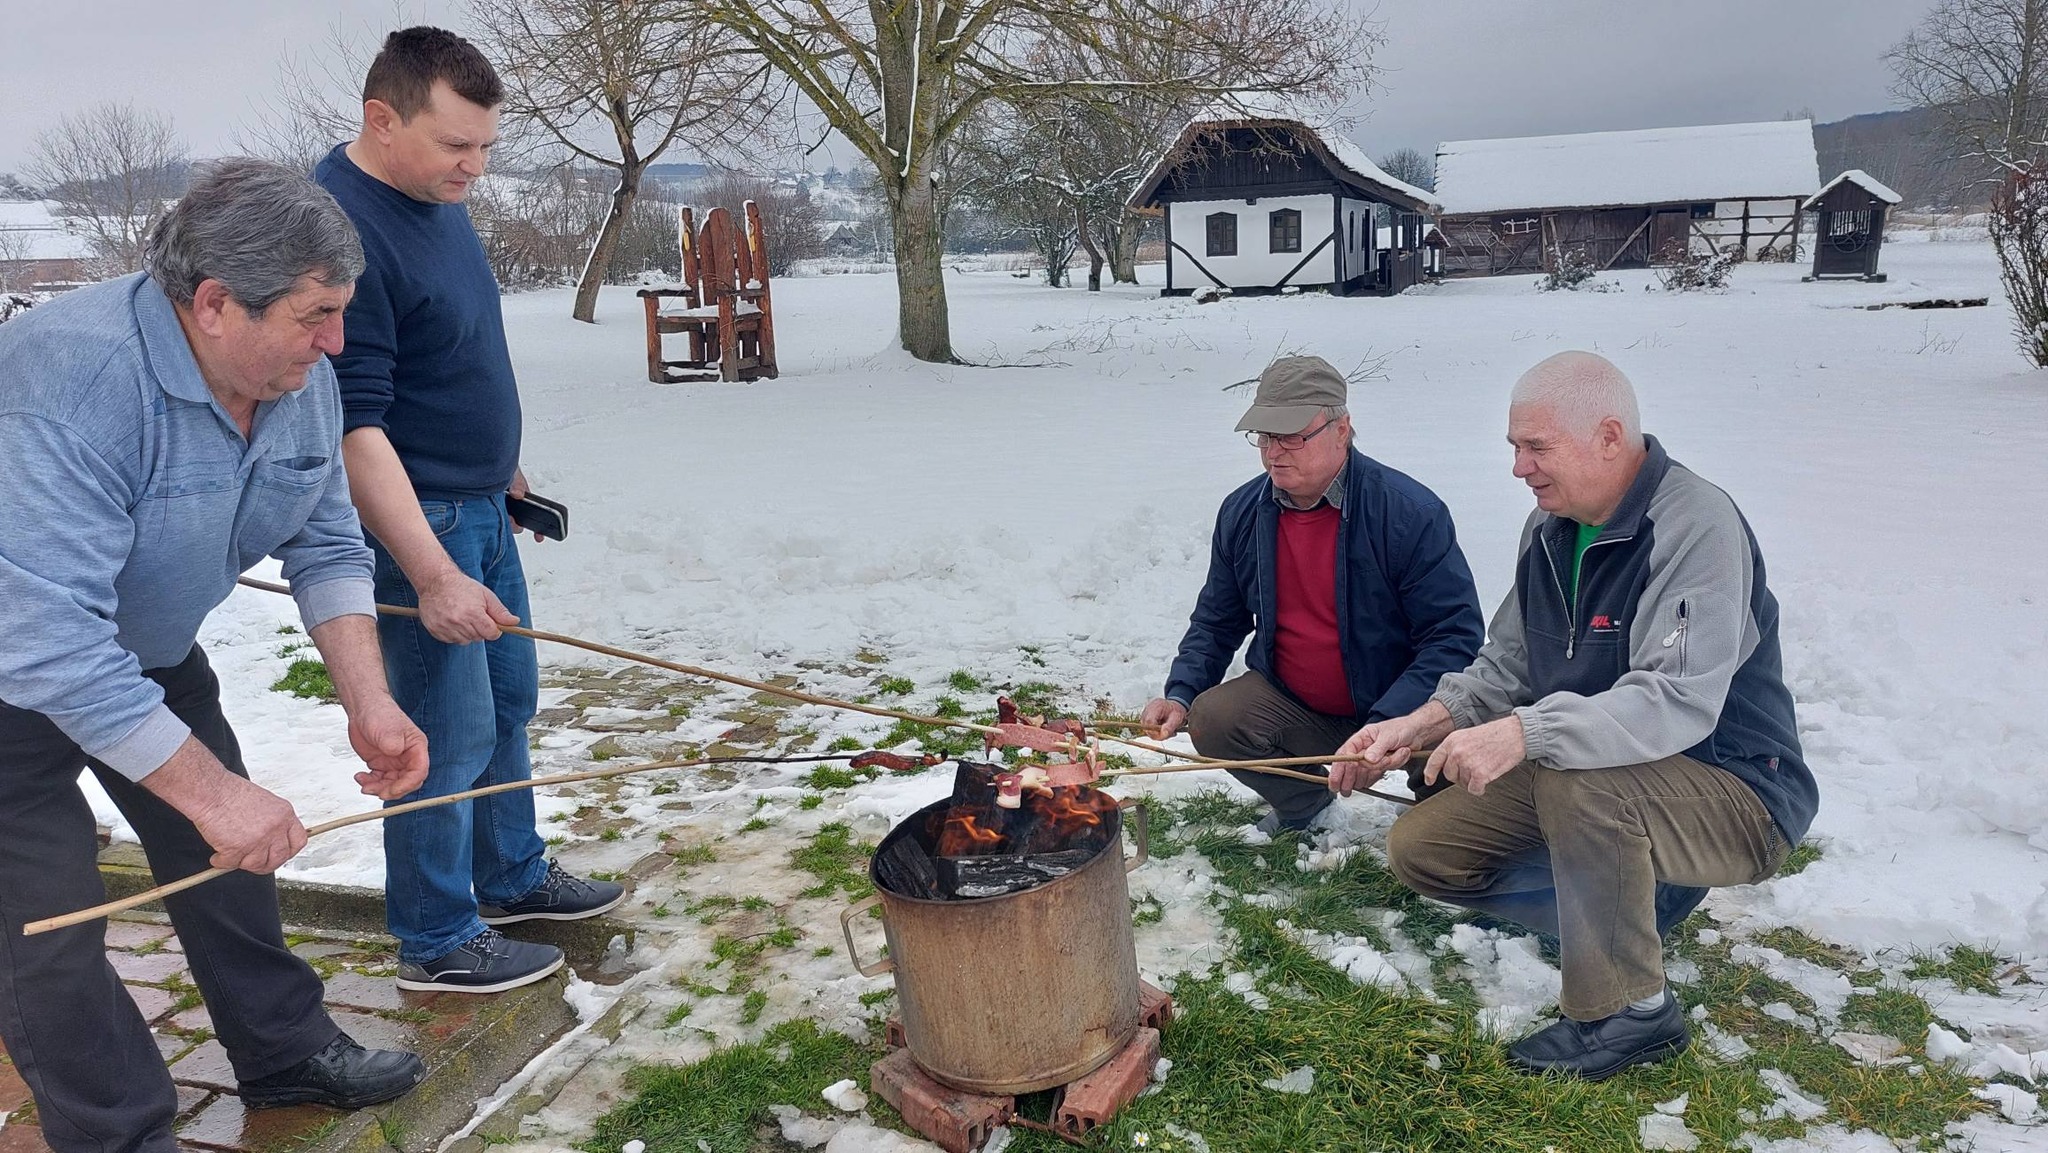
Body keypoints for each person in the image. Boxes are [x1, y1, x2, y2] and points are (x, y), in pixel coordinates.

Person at [0, 159, 430, 1152]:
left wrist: (367, 700)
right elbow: (49, 642)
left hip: (140, 650)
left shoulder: (294, 376)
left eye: (342, 310)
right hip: (16, 670)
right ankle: (117, 1132)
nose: (336, 342)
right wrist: (214, 791)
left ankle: (283, 1050)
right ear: (214, 304)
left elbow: (325, 540)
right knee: (45, 928)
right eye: (315, 314)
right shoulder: (70, 381)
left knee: (227, 859)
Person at [1336, 350, 1817, 1080]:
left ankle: (1630, 1014)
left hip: (1738, 790)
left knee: (1576, 780)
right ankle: (1631, 907)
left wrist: (1528, 732)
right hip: (1607, 780)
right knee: (1423, 850)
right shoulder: (1551, 529)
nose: (1519, 468)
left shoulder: (1695, 524)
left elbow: (1677, 697)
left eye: (1536, 448)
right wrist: (1424, 721)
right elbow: (1509, 661)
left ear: (1609, 435)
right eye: (1513, 448)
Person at [314, 27, 621, 994]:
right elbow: (354, 427)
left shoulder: (433, 196)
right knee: (439, 738)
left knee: (508, 705)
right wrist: (434, 571)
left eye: (486, 147)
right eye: (457, 146)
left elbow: (452, 352)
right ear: (382, 119)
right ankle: (439, 937)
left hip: (481, 501)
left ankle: (512, 873)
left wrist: (504, 467)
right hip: (420, 527)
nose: (476, 168)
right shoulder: (337, 232)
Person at [1140, 356, 1486, 835]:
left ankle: (1447, 823)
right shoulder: (1243, 512)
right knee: (1214, 717)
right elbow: (1218, 619)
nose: (1273, 452)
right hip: (1299, 705)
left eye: (1291, 436)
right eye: (1264, 436)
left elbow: (1453, 639)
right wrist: (1180, 692)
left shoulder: (1408, 513)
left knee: (1450, 816)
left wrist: (1389, 725)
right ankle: (1304, 805)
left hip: (1405, 711)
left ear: (1341, 428)